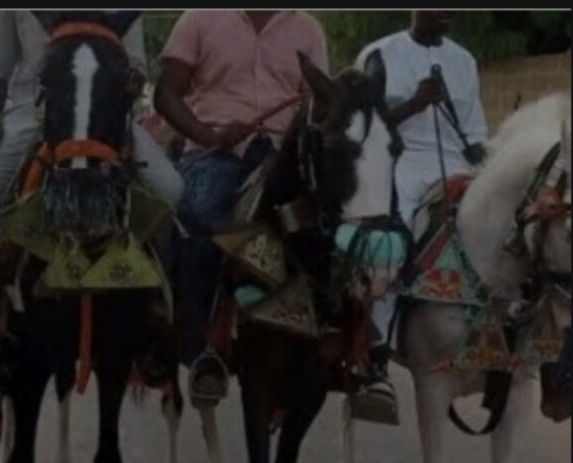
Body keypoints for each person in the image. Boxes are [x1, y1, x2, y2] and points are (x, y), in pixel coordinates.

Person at [0, 10, 184, 379]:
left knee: (169, 188)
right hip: (32, 115)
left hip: (104, 118)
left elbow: (136, 71)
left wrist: (115, 85)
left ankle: (158, 313)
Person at [155, 10, 329, 406]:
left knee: (335, 225)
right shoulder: (198, 20)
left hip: (285, 155)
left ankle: (353, 348)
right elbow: (166, 93)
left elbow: (319, 104)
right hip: (217, 151)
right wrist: (210, 135)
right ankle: (201, 350)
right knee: (201, 218)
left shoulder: (308, 29)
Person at [354, 10, 488, 411]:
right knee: (388, 247)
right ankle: (376, 358)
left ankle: (517, 346)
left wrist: (495, 168)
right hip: (401, 163)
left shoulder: (464, 60)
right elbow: (359, 126)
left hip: (457, 165)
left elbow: (475, 133)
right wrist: (413, 104)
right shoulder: (378, 54)